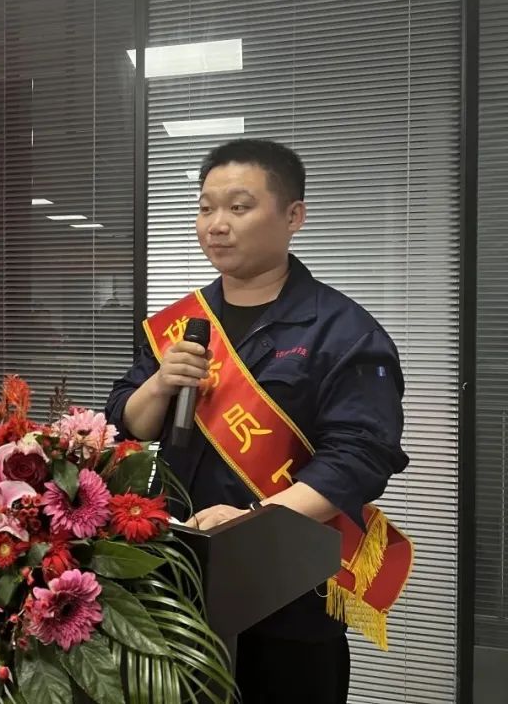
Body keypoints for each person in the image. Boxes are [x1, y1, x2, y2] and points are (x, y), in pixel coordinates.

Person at [104, 139, 409, 704]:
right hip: (177, 580)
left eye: (239, 207)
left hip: (288, 589)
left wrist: (251, 521)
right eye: (205, 208)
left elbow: (360, 457)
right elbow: (128, 421)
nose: (216, 224)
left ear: (293, 216)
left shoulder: (343, 331)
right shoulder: (182, 323)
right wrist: (161, 383)